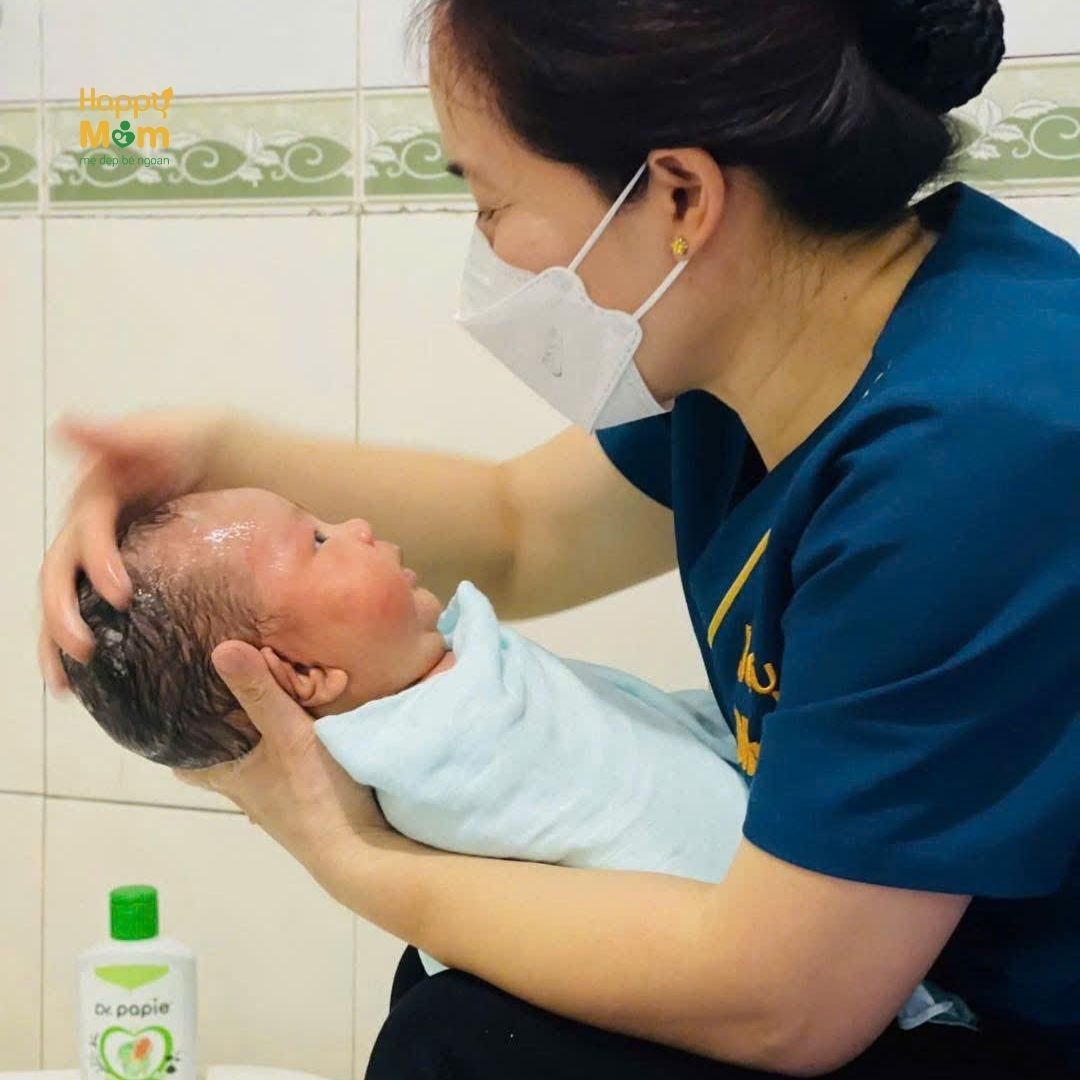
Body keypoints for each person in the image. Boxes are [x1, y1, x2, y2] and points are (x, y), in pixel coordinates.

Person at [39, 0, 1078, 1076]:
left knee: (463, 1042)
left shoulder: (969, 452)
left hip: (990, 1022)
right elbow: (519, 532)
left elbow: (785, 1001)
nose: (488, 247)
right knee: (466, 996)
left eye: (493, 200)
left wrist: (351, 857)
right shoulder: (785, 350)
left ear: (681, 196)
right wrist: (205, 455)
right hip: (896, 978)